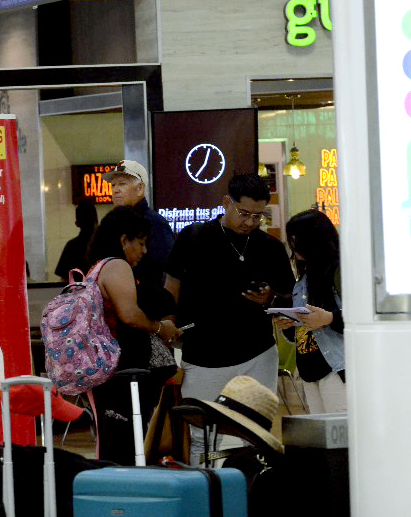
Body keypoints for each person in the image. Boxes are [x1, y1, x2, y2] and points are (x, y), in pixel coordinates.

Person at [165, 173, 295, 462]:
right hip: (203, 354)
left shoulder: (271, 248)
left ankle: (247, 489)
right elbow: (172, 285)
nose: (250, 222)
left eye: (258, 216)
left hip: (257, 353)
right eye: (244, 213)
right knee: (202, 433)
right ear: (227, 202)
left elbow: (288, 298)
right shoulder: (194, 237)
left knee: (253, 430)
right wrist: (169, 325)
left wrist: (269, 298)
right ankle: (206, 491)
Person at [87, 206, 181, 465]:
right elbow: (128, 314)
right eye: (140, 242)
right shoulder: (116, 265)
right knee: (125, 445)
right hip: (121, 373)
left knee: (114, 443)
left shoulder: (97, 267)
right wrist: (161, 328)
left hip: (109, 374)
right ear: (123, 240)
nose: (144, 250)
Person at [275, 209, 345, 414]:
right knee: (322, 437)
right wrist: (290, 323)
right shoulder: (303, 277)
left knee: (340, 435)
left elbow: (360, 317)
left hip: (336, 367)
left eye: (297, 240)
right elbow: (299, 333)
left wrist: (329, 318)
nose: (293, 247)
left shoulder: (340, 270)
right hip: (308, 369)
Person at [104, 160, 175, 302]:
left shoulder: (154, 223)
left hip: (148, 309)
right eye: (113, 185)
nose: (115, 190)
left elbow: (167, 272)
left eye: (122, 184)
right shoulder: (114, 223)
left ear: (140, 188)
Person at [54, 201, 98, 281]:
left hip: (78, 292)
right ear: (96, 221)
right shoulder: (106, 244)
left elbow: (64, 279)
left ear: (77, 223)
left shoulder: (71, 246)